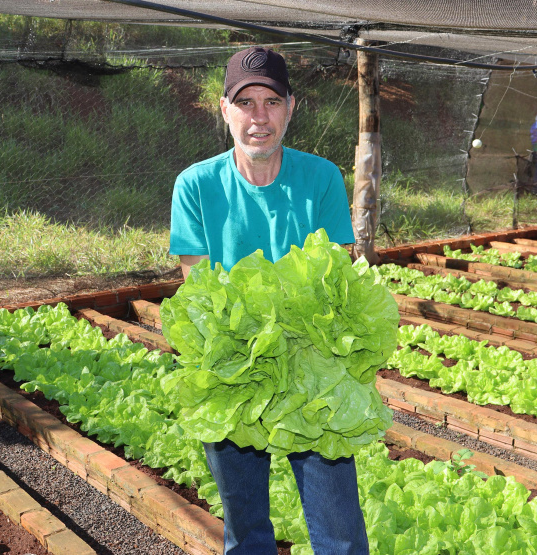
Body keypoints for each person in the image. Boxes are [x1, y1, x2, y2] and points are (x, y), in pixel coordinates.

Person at [168, 46, 367, 555]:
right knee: (247, 530)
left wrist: (285, 337)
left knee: (340, 531)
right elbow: (200, 293)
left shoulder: (322, 179)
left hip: (311, 371)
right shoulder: (195, 185)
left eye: (272, 102)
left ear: (291, 107)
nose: (260, 117)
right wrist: (260, 338)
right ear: (224, 109)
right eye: (246, 102)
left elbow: (334, 280)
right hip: (235, 372)